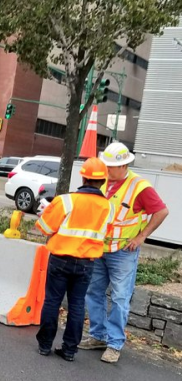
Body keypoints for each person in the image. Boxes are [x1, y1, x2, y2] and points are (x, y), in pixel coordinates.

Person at [81, 142, 169, 364]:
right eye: (106, 165)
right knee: (94, 292)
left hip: (123, 252)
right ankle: (97, 336)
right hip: (100, 248)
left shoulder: (140, 186)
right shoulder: (103, 183)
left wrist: (141, 237)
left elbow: (161, 211)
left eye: (111, 166)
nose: (107, 170)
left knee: (120, 297)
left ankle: (114, 344)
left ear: (124, 165)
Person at [34, 157, 115, 362]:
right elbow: (106, 235)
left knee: (52, 301)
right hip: (87, 263)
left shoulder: (66, 200)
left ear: (84, 177)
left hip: (61, 258)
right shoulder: (109, 207)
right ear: (103, 181)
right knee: (77, 305)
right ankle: (69, 350)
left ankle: (45, 345)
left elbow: (44, 227)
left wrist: (46, 212)